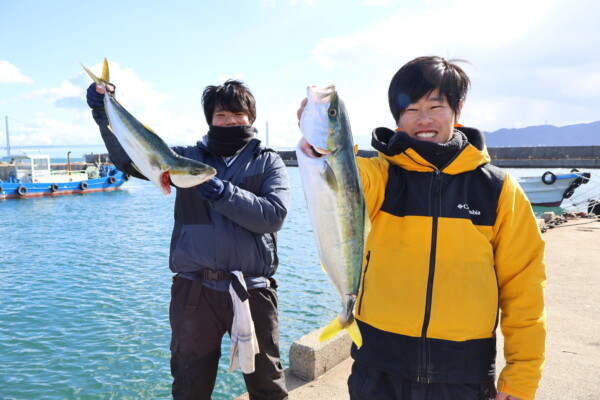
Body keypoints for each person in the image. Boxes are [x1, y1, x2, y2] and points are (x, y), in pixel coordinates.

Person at [297, 56, 546, 400]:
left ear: (457, 109)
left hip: (462, 377)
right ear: (397, 119)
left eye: (435, 105)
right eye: (411, 109)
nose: (424, 119)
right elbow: (340, 180)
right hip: (378, 371)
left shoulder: (498, 190)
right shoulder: (379, 175)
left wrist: (521, 378)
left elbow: (525, 291)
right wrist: (319, 135)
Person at [87, 79, 290, 400]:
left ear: (251, 116)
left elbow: (273, 215)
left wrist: (224, 192)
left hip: (253, 290)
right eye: (222, 115)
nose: (230, 121)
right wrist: (103, 113)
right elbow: (128, 158)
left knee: (267, 384)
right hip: (194, 292)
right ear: (210, 119)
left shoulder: (268, 161)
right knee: (189, 385)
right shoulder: (182, 159)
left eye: (238, 114)